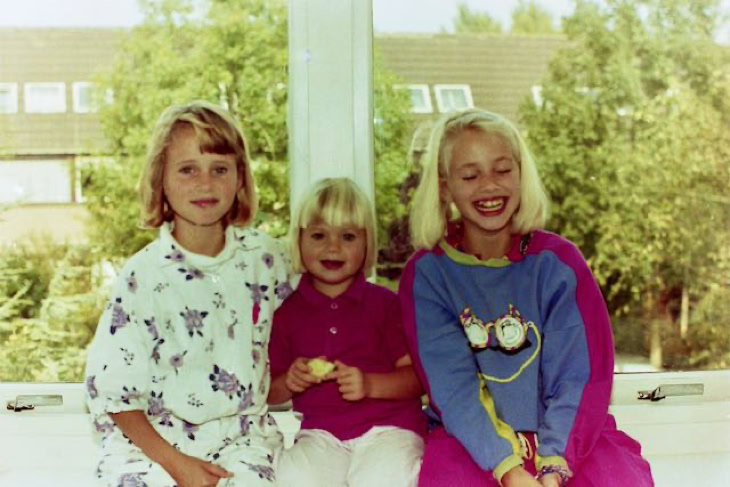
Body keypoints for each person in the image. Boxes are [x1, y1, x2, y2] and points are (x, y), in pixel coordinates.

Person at [399, 108, 654, 487]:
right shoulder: (428, 274)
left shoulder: (559, 264)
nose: (489, 186)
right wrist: (510, 470)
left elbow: (579, 377)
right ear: (445, 186)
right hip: (471, 443)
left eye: (502, 170)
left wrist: (554, 467)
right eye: (470, 175)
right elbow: (453, 389)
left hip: (568, 440)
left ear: (521, 173)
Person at [84, 100, 297, 487]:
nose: (205, 183)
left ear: (240, 178)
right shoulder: (142, 277)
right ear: (161, 180)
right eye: (187, 170)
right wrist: (177, 465)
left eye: (220, 169)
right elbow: (114, 394)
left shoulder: (267, 260)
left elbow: (302, 344)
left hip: (243, 440)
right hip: (152, 446)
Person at [268, 177, 427, 487]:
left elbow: (415, 380)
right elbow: (269, 393)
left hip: (389, 430)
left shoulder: (385, 304)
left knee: (380, 480)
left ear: (367, 243)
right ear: (299, 240)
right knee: (294, 478)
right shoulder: (286, 313)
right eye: (318, 235)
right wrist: (289, 381)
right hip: (320, 435)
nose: (333, 247)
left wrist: (369, 384)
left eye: (348, 236)